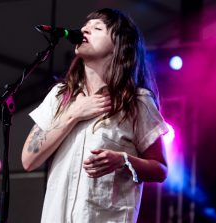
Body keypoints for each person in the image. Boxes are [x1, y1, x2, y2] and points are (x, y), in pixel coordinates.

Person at [22, 8, 168, 223]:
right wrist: (73, 114)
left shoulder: (136, 101)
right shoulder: (60, 96)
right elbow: (28, 160)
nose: (84, 30)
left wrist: (123, 160)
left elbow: (160, 169)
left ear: (118, 47)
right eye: (85, 26)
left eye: (97, 27)